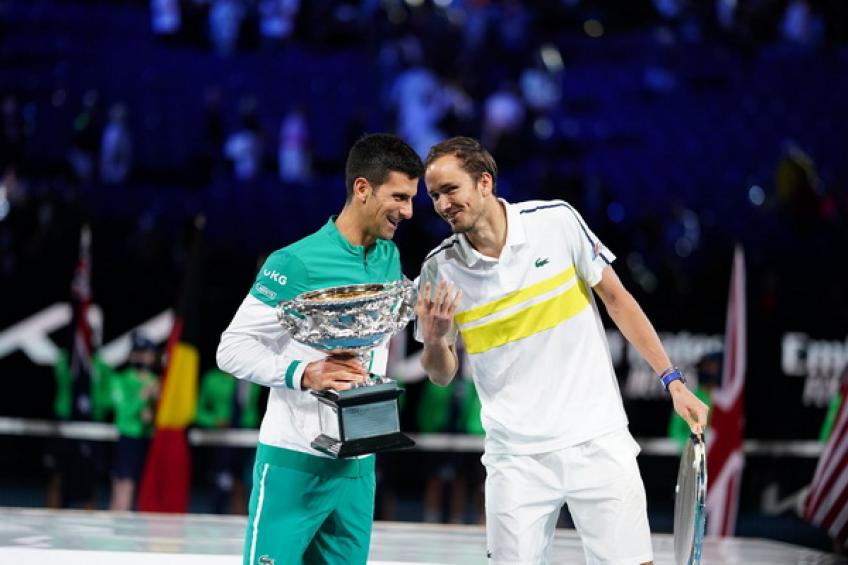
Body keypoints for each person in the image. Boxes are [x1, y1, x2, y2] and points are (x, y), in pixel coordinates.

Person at [414, 136, 708, 565]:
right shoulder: (438, 269)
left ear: (485, 182)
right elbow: (440, 374)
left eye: (450, 190)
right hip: (515, 458)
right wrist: (435, 338)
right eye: (434, 196)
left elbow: (618, 301)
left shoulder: (556, 222)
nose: (442, 204)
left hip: (596, 438)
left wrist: (673, 381)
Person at [216, 133, 423, 565]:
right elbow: (231, 348)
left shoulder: (388, 257)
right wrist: (304, 373)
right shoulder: (294, 262)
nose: (408, 211)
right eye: (399, 197)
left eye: (411, 199)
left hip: (359, 467)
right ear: (362, 188)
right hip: (295, 462)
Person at [195, 367, 262, 514]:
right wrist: (215, 421)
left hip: (246, 437)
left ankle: (244, 515)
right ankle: (215, 513)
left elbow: (252, 410)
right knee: (220, 480)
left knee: (245, 480)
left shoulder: (250, 379)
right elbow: (198, 411)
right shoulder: (212, 379)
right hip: (219, 439)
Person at [108, 332, 160, 511]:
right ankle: (117, 524)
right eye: (138, 353)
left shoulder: (156, 382)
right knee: (124, 486)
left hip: (150, 440)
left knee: (146, 491)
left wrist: (152, 412)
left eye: (146, 353)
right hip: (128, 439)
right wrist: (143, 396)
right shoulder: (120, 379)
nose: (142, 357)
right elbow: (124, 411)